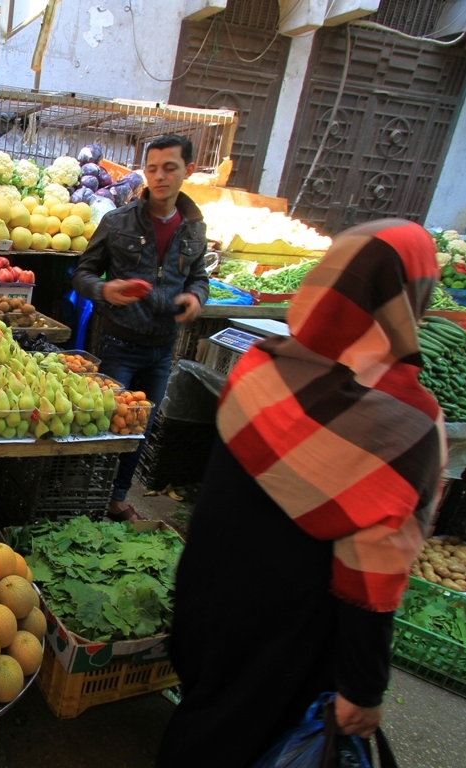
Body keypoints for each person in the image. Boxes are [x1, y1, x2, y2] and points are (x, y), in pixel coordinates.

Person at [156, 220, 444, 767]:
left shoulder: (262, 364)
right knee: (252, 739)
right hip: (287, 629)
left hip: (208, 598)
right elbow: (372, 567)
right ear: (411, 300)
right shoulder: (405, 424)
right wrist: (364, 686)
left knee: (205, 719)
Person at [72, 134, 209, 522]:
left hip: (164, 347)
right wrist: (105, 289)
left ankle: (116, 498)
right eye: (152, 169)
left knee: (139, 428)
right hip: (119, 343)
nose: (160, 177)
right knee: (103, 423)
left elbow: (199, 277)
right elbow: (82, 274)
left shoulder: (194, 229)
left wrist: (196, 297)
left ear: (188, 171)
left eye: (170, 168)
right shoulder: (117, 222)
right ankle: (87, 498)